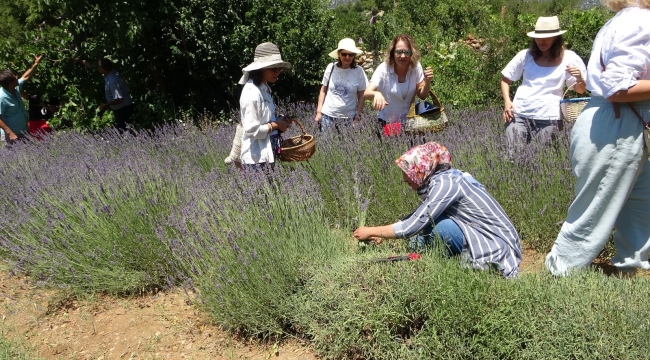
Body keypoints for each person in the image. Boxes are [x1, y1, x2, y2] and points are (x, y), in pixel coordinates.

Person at [545, 0, 650, 276]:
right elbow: (617, 87)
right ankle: (559, 274)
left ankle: (628, 272)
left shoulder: (627, 19)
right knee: (594, 209)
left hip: (626, 120)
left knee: (639, 202)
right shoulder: (641, 21)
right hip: (618, 121)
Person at [353, 142, 522, 278]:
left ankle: (462, 265)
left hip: (496, 245)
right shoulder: (445, 178)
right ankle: (438, 260)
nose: (407, 182)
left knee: (437, 229)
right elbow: (420, 215)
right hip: (483, 234)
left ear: (420, 169)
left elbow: (413, 224)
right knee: (418, 237)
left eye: (408, 175)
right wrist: (382, 233)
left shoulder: (446, 185)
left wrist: (370, 231)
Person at [501, 16, 586, 155]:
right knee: (514, 158)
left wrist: (579, 78)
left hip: (549, 117)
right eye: (538, 37)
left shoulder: (570, 58)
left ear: (556, 38)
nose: (542, 41)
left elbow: (580, 90)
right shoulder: (525, 55)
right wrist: (507, 101)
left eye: (547, 37)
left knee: (541, 159)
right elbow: (506, 79)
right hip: (519, 114)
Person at [364, 34, 433, 135]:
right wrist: (376, 94)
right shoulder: (383, 69)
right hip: (387, 124)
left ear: (412, 53)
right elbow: (366, 93)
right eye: (399, 52)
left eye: (407, 52)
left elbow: (422, 95)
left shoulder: (415, 67)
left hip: (411, 124)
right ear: (392, 53)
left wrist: (427, 82)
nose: (403, 56)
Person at [238, 42, 292, 170]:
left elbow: (266, 120)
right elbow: (252, 130)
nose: (277, 72)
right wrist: (276, 125)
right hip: (255, 159)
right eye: (274, 69)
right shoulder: (251, 92)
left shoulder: (264, 89)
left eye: (279, 69)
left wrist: (280, 122)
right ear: (260, 69)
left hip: (267, 155)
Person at [314, 38, 368, 133]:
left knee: (347, 147)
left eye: (350, 54)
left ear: (354, 55)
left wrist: (358, 115)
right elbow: (323, 90)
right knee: (327, 146)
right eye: (344, 54)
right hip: (328, 117)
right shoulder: (330, 67)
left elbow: (362, 95)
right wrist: (319, 112)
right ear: (339, 54)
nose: (347, 57)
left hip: (349, 119)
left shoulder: (359, 71)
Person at [0, 54, 43, 144]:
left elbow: (25, 77)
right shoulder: (2, 97)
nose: (17, 77)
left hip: (23, 131)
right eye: (14, 77)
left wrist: (35, 64)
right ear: (10, 83)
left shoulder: (15, 88)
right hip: (11, 135)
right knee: (13, 157)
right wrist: (10, 133)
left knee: (27, 156)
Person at [97, 58, 134, 130]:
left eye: (99, 67)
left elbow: (119, 99)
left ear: (104, 69)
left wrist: (105, 105)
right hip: (121, 109)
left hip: (123, 110)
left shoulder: (112, 80)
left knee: (122, 131)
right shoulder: (110, 73)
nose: (97, 68)